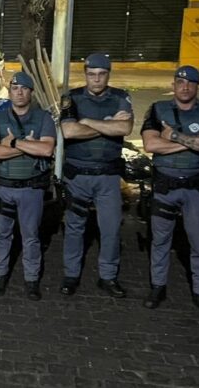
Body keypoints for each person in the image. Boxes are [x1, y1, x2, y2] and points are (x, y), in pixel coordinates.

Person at [141, 65, 199, 318]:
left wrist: (174, 136)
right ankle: (158, 287)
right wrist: (194, 144)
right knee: (160, 241)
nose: (185, 87)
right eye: (180, 82)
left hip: (196, 188)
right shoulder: (158, 109)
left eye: (190, 83)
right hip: (165, 186)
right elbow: (150, 144)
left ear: (198, 86)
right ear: (173, 85)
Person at [59, 53, 133, 297]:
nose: (96, 79)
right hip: (77, 175)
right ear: (85, 74)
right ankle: (71, 275)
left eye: (101, 74)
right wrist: (107, 125)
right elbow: (68, 131)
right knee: (74, 227)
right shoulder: (72, 98)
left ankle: (108, 277)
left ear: (108, 74)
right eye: (91, 74)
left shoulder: (120, 97)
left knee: (110, 229)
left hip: (108, 176)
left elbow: (125, 128)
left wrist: (88, 121)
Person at [0, 72, 55, 300]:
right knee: (2, 234)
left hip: (31, 187)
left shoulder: (43, 118)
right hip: (4, 186)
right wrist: (27, 146)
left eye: (24, 88)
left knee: (31, 235)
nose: (19, 92)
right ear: (10, 91)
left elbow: (46, 150)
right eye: (15, 88)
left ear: (31, 92)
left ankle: (31, 279)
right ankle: (0, 275)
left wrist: (13, 142)